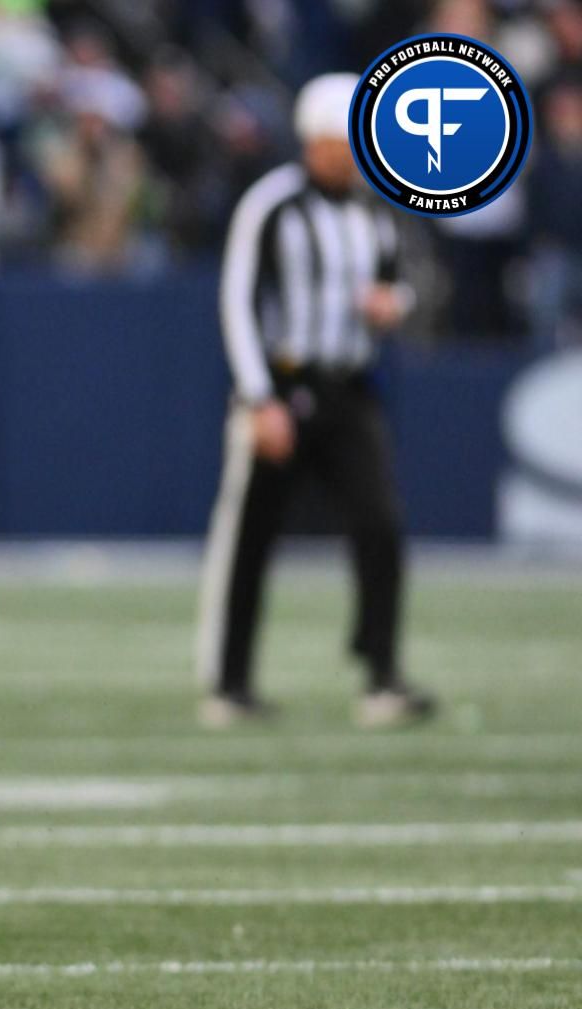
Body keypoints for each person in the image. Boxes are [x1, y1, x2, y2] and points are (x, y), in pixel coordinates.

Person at [195, 73, 434, 731]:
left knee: (379, 525)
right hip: (283, 383)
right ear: (315, 140)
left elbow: (404, 285)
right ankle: (229, 679)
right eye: (344, 142)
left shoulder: (374, 208)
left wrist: (396, 305)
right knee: (252, 536)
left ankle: (382, 674)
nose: (355, 155)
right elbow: (238, 302)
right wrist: (258, 396)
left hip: (350, 388)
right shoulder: (272, 204)